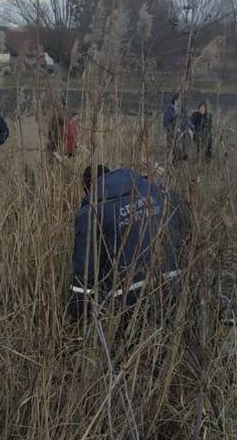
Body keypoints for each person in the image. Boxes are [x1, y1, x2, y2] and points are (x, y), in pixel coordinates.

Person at [69, 165, 188, 318]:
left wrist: (77, 313)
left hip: (129, 301)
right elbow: (185, 224)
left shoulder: (91, 213)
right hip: (175, 282)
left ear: (89, 189)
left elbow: (85, 271)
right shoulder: (158, 191)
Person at [162, 94, 188, 162]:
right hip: (171, 133)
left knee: (181, 148)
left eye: (180, 101)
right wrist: (172, 129)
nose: (178, 102)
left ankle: (180, 161)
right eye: (177, 100)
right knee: (171, 148)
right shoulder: (169, 109)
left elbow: (186, 120)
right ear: (174, 100)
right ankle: (171, 161)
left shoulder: (183, 110)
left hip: (181, 133)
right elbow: (165, 122)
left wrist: (185, 129)